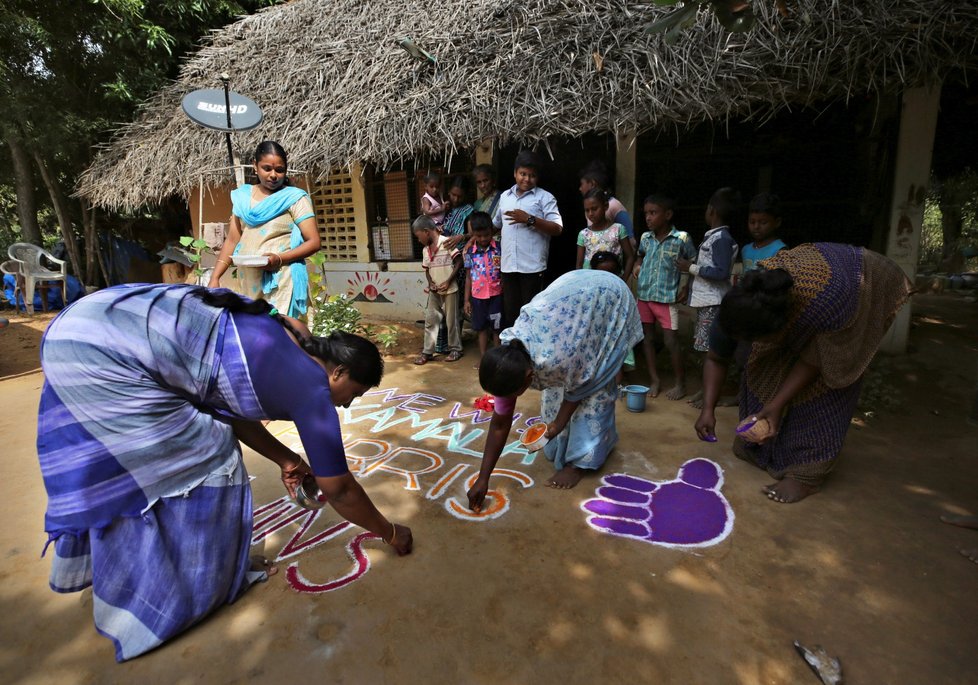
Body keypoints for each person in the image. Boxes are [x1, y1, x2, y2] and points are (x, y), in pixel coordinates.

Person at [37, 283, 413, 661]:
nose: (348, 405)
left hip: (98, 320)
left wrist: (289, 461)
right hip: (104, 353)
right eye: (355, 393)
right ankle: (181, 590)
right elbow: (341, 489)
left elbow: (225, 405)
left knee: (208, 440)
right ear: (339, 372)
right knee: (206, 462)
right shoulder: (312, 392)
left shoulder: (296, 332)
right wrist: (390, 531)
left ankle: (184, 568)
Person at [694, 243, 912, 503]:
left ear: (776, 329)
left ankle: (806, 475)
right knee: (762, 368)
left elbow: (814, 361)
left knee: (826, 385)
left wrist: (776, 404)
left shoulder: (830, 303)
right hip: (815, 296)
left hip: (860, 289)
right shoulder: (738, 307)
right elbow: (716, 358)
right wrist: (708, 409)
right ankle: (768, 449)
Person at [467, 269, 642, 504]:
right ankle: (564, 444)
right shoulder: (510, 355)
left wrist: (557, 424)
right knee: (556, 392)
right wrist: (483, 478)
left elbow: (580, 383)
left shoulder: (559, 357)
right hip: (571, 309)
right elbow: (500, 423)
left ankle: (581, 462)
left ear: (529, 376)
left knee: (594, 388)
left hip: (607, 300)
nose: (507, 400)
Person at [209, 141, 320, 319]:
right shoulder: (242, 198)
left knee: (283, 333)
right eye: (267, 168)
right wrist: (215, 277)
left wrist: (279, 259)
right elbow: (232, 240)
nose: (273, 175)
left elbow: (314, 242)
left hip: (282, 279)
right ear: (255, 166)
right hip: (250, 280)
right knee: (257, 334)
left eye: (279, 170)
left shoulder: (295, 198)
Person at [678, 187, 741, 407]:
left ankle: (708, 395)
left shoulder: (721, 239)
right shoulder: (714, 237)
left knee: (710, 352)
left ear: (712, 210)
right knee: (704, 350)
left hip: (713, 303)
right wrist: (689, 287)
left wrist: (691, 267)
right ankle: (705, 391)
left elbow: (721, 272)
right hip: (706, 302)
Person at [634, 194, 697, 400]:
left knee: (671, 341)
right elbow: (640, 255)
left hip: (666, 298)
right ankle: (655, 380)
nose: (648, 218)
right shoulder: (645, 238)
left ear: (667, 215)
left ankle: (680, 383)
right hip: (644, 295)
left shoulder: (682, 239)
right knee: (648, 339)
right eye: (646, 214)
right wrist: (637, 265)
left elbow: (692, 262)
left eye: (653, 213)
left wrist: (686, 285)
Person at [493, 150, 563, 328]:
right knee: (511, 315)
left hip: (532, 268)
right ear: (515, 173)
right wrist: (471, 237)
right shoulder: (504, 197)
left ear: (537, 177)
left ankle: (530, 354)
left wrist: (529, 219)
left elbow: (557, 228)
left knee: (532, 314)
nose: (527, 179)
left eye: (532, 175)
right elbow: (496, 225)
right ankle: (515, 352)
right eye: (523, 174)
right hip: (508, 266)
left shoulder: (545, 198)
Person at [413, 215, 463, 364]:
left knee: (451, 321)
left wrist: (448, 281)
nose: (418, 240)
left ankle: (456, 349)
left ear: (426, 231)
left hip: (450, 289)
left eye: (418, 236)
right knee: (431, 320)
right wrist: (431, 284)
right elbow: (427, 270)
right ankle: (427, 352)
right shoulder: (425, 250)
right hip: (434, 292)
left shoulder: (446, 242)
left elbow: (459, 262)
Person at [463, 212, 503, 368]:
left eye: (486, 235)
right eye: (478, 236)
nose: (483, 239)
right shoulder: (470, 253)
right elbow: (468, 277)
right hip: (478, 297)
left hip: (496, 295)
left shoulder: (499, 248)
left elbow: (504, 272)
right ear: (473, 235)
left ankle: (498, 358)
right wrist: (467, 300)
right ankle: (484, 358)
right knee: (480, 328)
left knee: (496, 327)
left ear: (491, 231)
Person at [575, 189, 636, 278]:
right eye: (587, 210)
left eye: (594, 209)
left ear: (606, 206)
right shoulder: (584, 234)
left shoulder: (618, 229)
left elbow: (630, 257)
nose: (590, 214)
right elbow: (579, 265)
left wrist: (623, 280)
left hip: (613, 281)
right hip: (590, 282)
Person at [578, 161, 635, 246]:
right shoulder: (591, 209)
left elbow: (631, 242)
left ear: (592, 184)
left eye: (582, 184)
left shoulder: (613, 205)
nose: (580, 188)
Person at [742, 192, 788, 273]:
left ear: (777, 222)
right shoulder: (745, 249)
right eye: (752, 222)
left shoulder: (780, 251)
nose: (756, 226)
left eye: (763, 222)